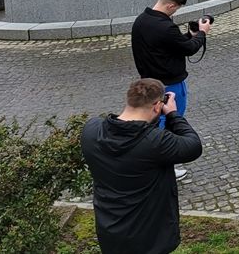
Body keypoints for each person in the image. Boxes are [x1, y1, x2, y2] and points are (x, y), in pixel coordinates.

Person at [80, 78, 203, 254]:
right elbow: (192, 145)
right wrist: (173, 114)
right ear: (156, 107)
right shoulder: (154, 143)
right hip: (148, 237)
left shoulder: (91, 130)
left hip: (109, 230)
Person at [130, 0, 210, 159]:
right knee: (171, 121)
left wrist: (190, 34)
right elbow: (188, 49)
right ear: (171, 6)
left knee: (154, 121)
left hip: (149, 83)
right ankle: (166, 162)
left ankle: (151, 157)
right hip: (171, 85)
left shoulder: (141, 21)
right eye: (176, 9)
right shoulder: (166, 27)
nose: (174, 13)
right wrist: (202, 33)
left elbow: (172, 45)